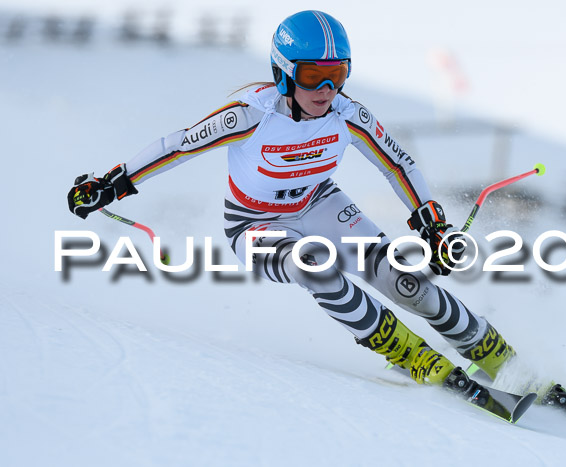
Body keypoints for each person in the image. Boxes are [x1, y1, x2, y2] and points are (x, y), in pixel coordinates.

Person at [67, 10, 514, 386]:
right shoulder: (248, 115)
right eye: (313, 76)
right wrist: (112, 183)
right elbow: (178, 144)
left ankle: (494, 353)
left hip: (321, 204)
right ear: (283, 74)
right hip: (253, 224)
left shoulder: (347, 113)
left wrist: (431, 222)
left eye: (336, 76)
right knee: (313, 264)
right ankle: (406, 352)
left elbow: (397, 164)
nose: (325, 91)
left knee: (403, 280)